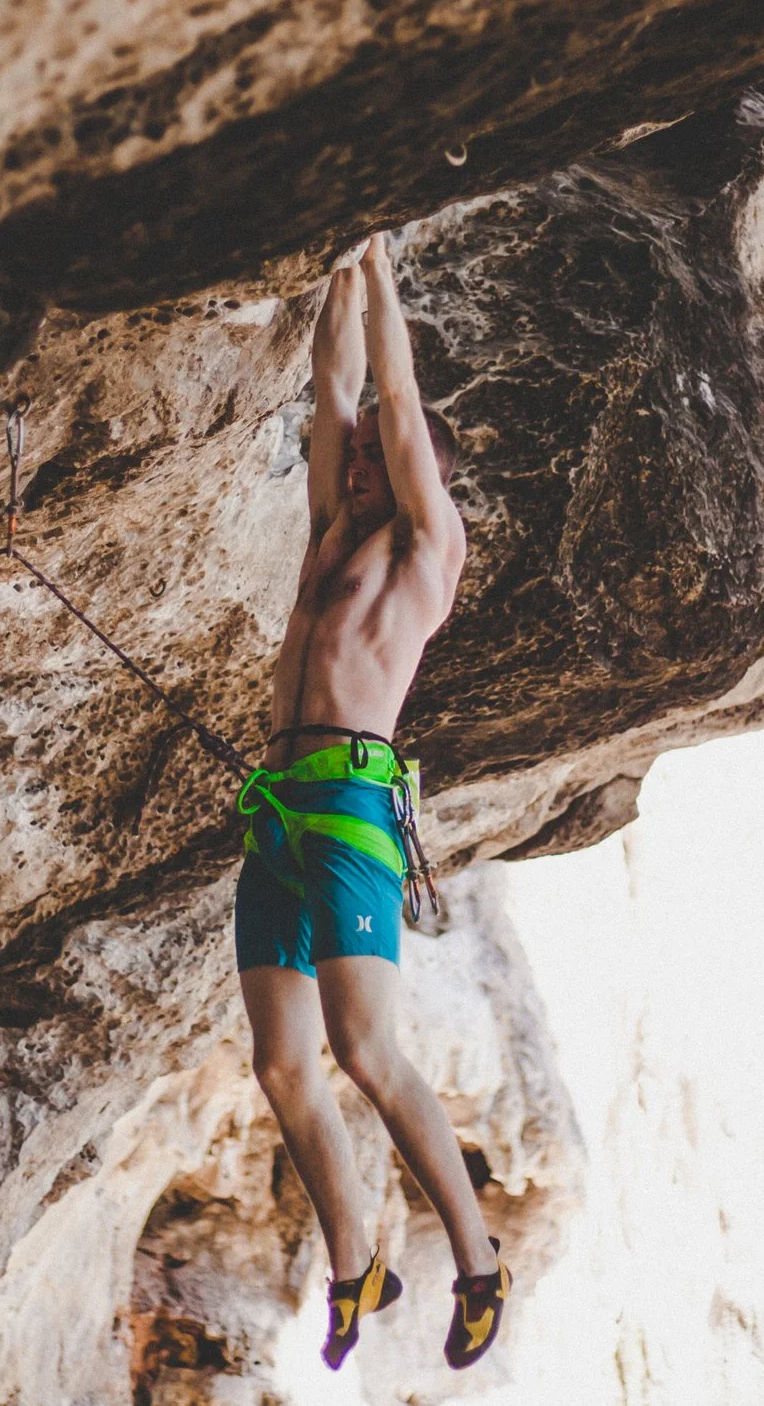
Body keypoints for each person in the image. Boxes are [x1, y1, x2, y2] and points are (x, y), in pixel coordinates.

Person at [233, 233, 508, 1372]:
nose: (353, 463)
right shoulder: (330, 534)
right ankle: (357, 1258)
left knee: (363, 1046)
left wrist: (385, 260)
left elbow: (391, 394)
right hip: (277, 810)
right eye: (348, 462)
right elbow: (337, 389)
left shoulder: (423, 546)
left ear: (414, 470)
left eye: (374, 460)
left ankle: (481, 1260)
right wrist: (340, 269)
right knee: (284, 1063)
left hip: (348, 803)